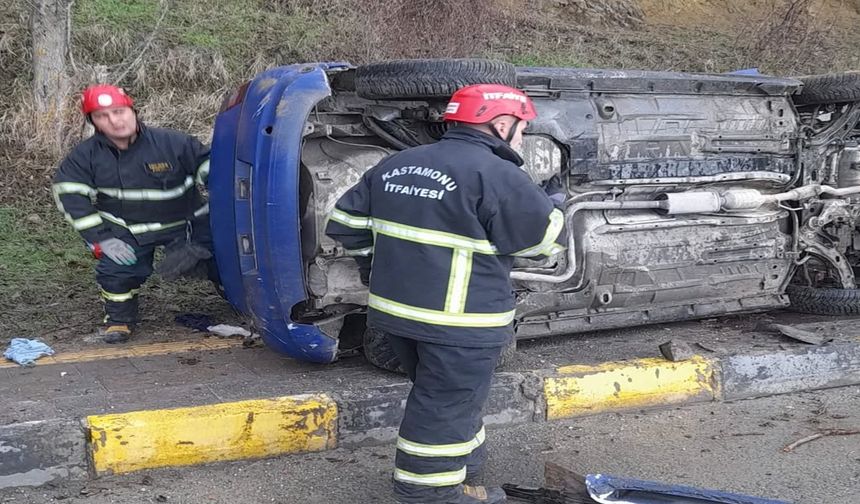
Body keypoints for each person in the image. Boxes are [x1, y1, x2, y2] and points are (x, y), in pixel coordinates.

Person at [325, 84, 566, 503]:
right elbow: (539, 245)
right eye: (522, 128)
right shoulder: (497, 175)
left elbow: (345, 221)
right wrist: (553, 204)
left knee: (449, 397)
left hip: (395, 315)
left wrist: (372, 267)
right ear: (501, 124)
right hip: (460, 322)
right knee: (443, 404)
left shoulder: (398, 163)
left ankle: (466, 471)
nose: (522, 137)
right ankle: (428, 494)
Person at [52, 84, 213, 344]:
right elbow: (69, 193)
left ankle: (244, 303)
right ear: (92, 122)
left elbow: (209, 165)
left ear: (133, 110)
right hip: (128, 230)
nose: (114, 121)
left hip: (185, 223)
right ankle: (119, 319)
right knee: (117, 271)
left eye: (119, 111)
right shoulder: (85, 156)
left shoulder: (173, 142)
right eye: (102, 116)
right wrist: (101, 238)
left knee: (225, 258)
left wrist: (217, 188)